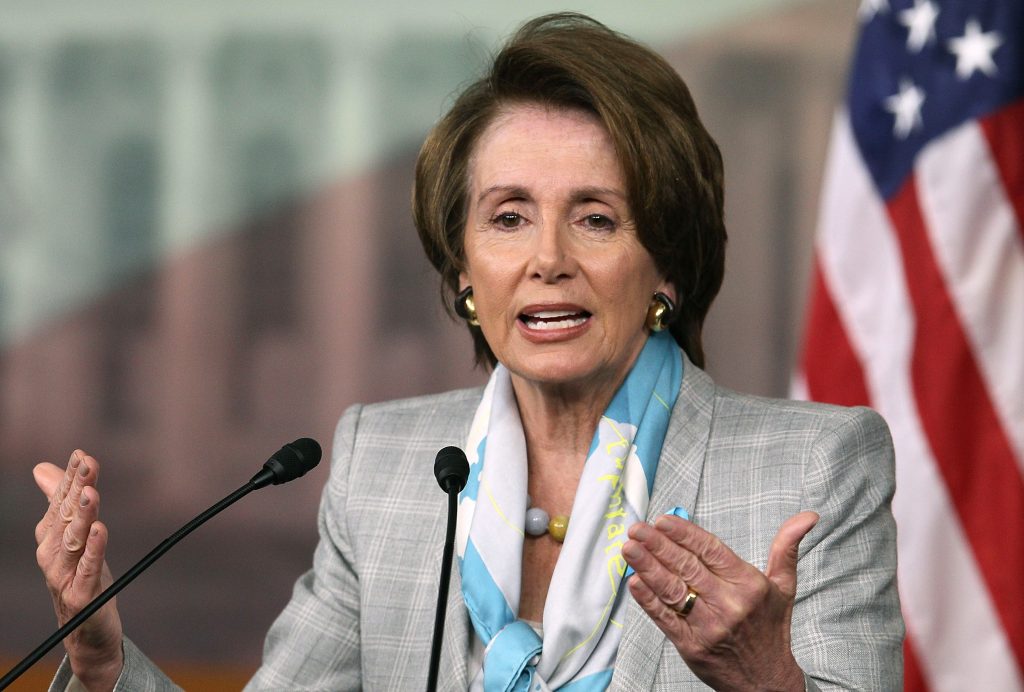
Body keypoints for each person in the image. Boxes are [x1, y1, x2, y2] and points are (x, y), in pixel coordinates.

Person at [33, 12, 903, 691]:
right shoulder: (386, 463)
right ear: (464, 274)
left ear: (666, 268)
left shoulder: (814, 470)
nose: (547, 258)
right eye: (508, 216)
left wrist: (770, 684)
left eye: (596, 218)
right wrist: (106, 663)